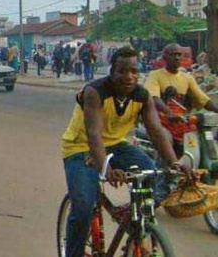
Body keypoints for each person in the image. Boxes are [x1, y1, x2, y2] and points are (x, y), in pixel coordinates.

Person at [62, 46, 191, 257]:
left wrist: (174, 162)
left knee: (149, 171)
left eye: (134, 71)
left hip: (116, 144)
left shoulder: (142, 95)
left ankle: (135, 224)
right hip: (80, 147)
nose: (129, 76)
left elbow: (156, 130)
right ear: (112, 72)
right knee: (83, 209)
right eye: (122, 71)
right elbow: (94, 134)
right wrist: (107, 168)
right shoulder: (95, 92)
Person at [144, 43, 218, 156]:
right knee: (165, 140)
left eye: (179, 55)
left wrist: (217, 110)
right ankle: (168, 170)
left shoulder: (187, 77)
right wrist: (169, 113)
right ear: (164, 58)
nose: (177, 57)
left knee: (201, 144)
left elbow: (203, 99)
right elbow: (154, 98)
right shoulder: (155, 75)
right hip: (161, 122)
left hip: (182, 122)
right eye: (173, 54)